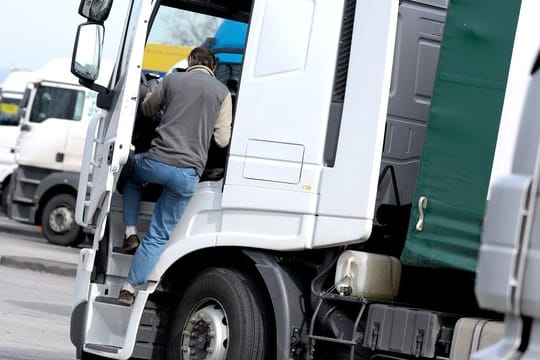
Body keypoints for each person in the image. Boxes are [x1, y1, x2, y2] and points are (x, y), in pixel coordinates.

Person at [117, 47, 233, 305]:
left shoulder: (172, 79)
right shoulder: (223, 93)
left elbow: (147, 110)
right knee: (158, 234)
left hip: (155, 163)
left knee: (130, 172)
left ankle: (130, 231)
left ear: (190, 61)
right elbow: (222, 140)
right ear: (212, 67)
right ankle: (128, 289)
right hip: (188, 175)